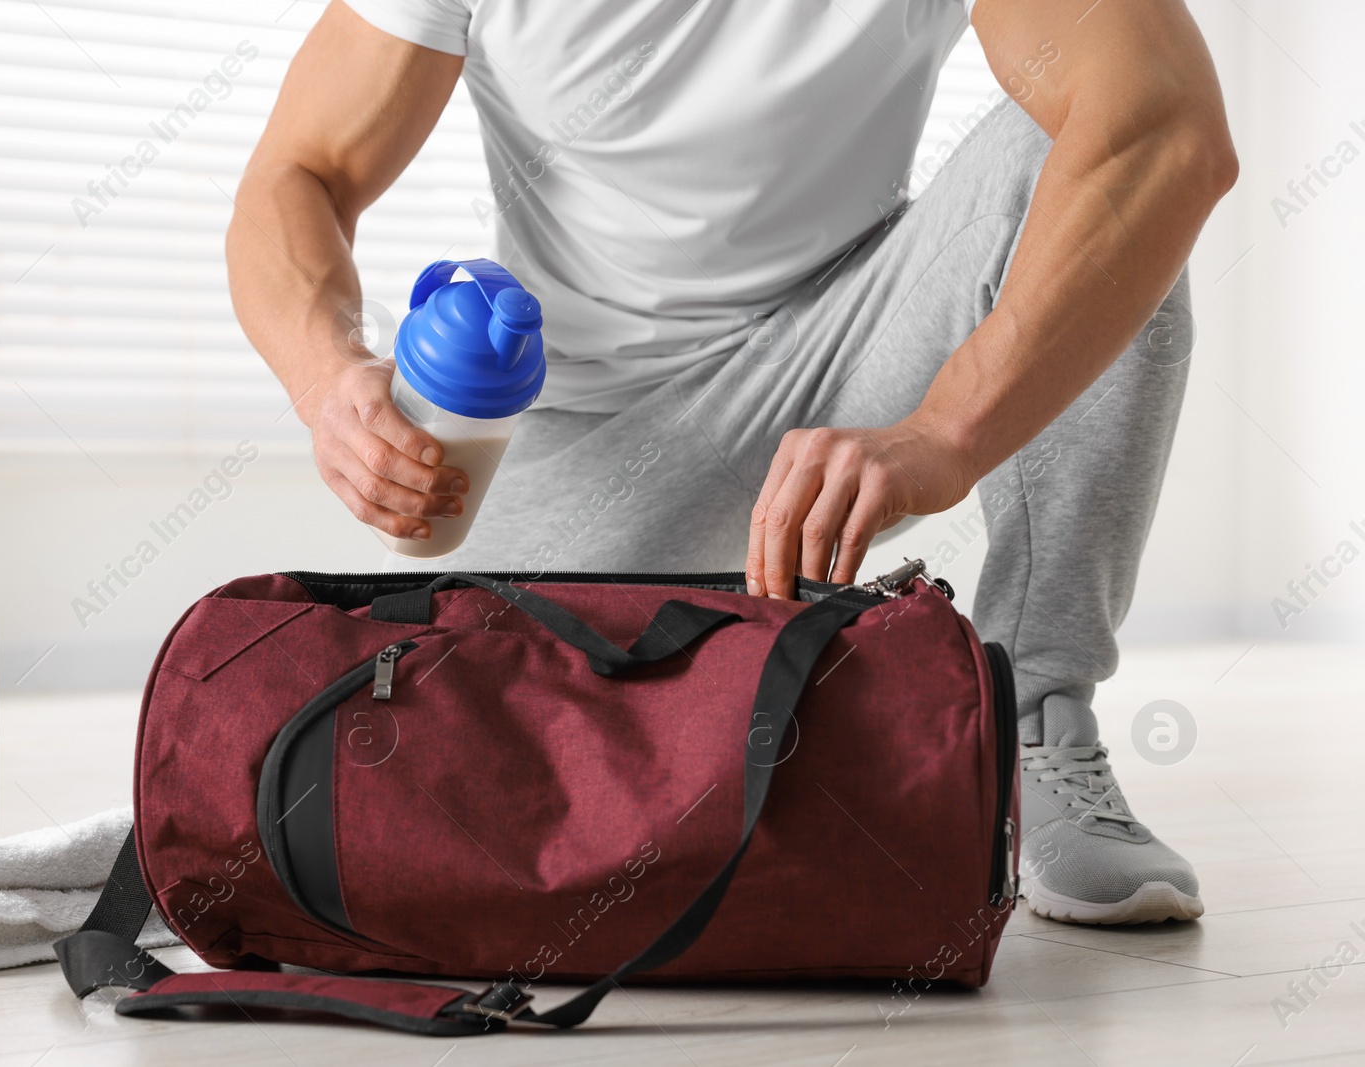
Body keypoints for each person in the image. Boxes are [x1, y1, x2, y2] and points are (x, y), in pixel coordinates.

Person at [226, 0, 1237, 924]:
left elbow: (1168, 130)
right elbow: (302, 168)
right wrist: (327, 379)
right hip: (595, 438)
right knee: (434, 778)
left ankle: (1035, 715)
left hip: (848, 352)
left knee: (1112, 146)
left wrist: (946, 430)